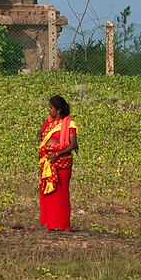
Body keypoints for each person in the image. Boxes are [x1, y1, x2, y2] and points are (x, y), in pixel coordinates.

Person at [38, 95, 77, 230]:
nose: (49, 110)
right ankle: (51, 223)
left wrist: (57, 154)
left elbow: (73, 145)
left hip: (62, 162)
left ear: (58, 110)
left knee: (61, 192)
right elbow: (40, 132)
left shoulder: (69, 124)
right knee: (48, 192)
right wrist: (40, 140)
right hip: (48, 161)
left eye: (51, 108)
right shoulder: (49, 122)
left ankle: (62, 224)